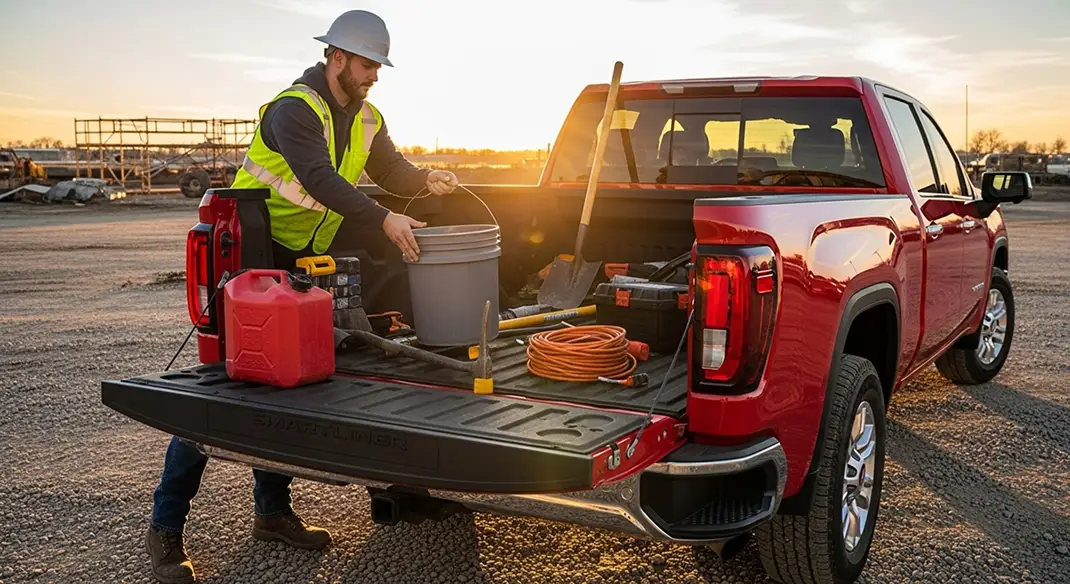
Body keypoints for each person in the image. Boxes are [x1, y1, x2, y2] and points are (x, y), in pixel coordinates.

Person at [144, 10, 457, 583]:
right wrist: (385, 218)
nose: (375, 76)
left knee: (287, 381)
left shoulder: (365, 116)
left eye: (379, 67)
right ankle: (166, 528)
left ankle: (272, 515)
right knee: (222, 392)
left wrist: (425, 180)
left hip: (299, 257)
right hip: (247, 253)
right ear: (336, 57)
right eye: (367, 65)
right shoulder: (296, 109)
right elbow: (319, 179)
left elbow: (390, 169)